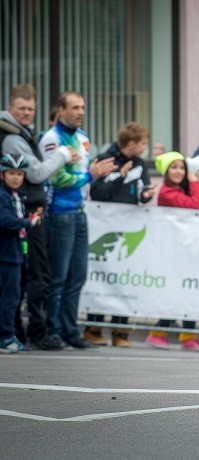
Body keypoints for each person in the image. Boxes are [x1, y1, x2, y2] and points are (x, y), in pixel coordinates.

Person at [0, 84, 77, 351]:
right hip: (25, 216)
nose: (27, 113)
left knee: (25, 276)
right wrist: (63, 155)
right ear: (11, 108)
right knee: (37, 276)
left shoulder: (21, 133)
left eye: (31, 108)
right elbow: (35, 174)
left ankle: (19, 332)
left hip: (26, 211)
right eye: (21, 108)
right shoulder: (12, 138)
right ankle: (35, 331)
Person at [39, 91, 117, 349]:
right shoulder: (51, 139)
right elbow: (55, 178)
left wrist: (93, 173)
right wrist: (90, 176)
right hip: (58, 214)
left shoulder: (82, 138)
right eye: (75, 107)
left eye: (83, 107)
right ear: (61, 110)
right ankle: (53, 331)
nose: (81, 112)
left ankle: (71, 330)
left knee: (78, 277)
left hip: (79, 212)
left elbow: (83, 172)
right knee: (58, 277)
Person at [84, 122, 154, 347]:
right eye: (143, 143)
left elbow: (143, 189)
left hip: (127, 227)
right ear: (132, 144)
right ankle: (93, 327)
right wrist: (121, 177)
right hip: (104, 226)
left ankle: (120, 331)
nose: (145, 148)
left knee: (124, 277)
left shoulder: (140, 163)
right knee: (103, 277)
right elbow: (97, 192)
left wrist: (146, 196)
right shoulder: (107, 159)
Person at [145, 151, 199, 351]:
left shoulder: (179, 189)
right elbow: (195, 205)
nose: (179, 172)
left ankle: (186, 334)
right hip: (174, 250)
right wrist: (194, 180)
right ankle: (160, 332)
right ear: (166, 171)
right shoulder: (167, 193)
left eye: (182, 167)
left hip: (185, 248)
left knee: (188, 290)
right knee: (179, 290)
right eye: (174, 167)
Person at [0, 154, 41, 353]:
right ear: (2, 175)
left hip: (16, 252)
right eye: (11, 173)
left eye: (19, 174)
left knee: (13, 296)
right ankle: (5, 337)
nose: (15, 178)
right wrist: (28, 222)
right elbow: (5, 220)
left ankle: (8, 334)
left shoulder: (18, 196)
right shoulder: (2, 196)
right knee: (9, 297)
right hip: (6, 254)